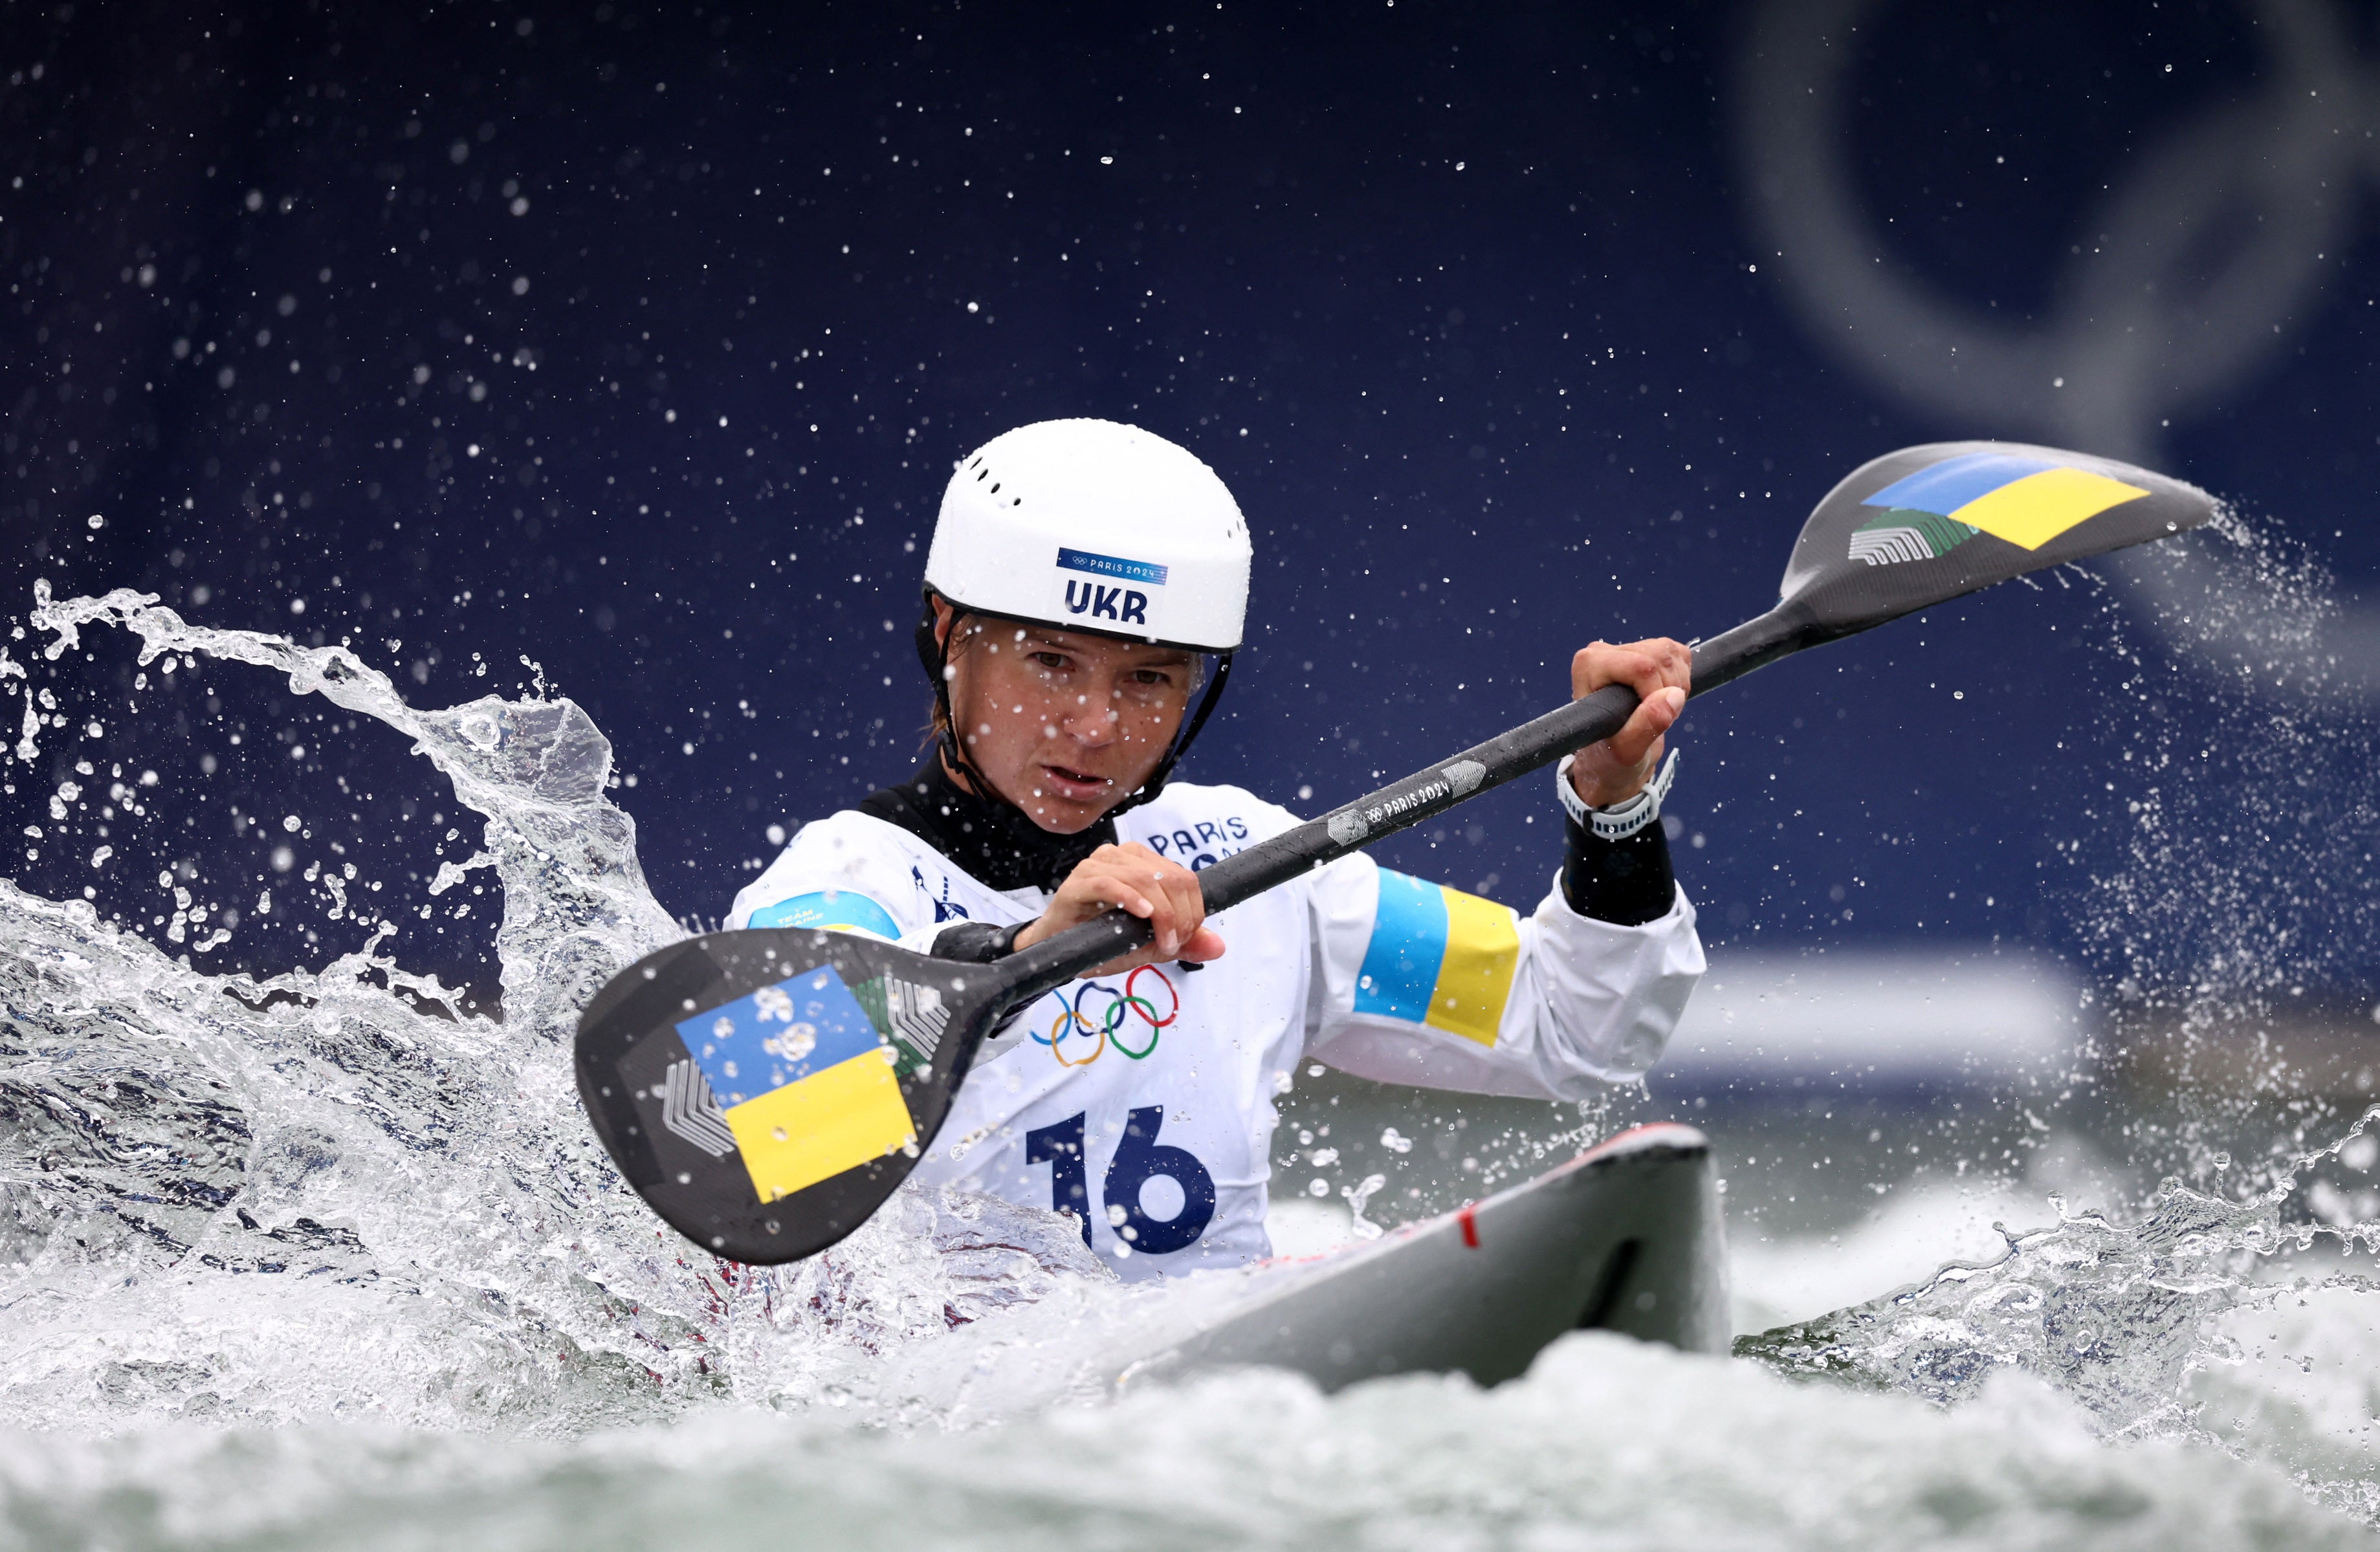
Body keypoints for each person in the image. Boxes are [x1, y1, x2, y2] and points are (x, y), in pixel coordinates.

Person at [731, 419, 1703, 1278]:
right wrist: (1030, 959)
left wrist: (1611, 806)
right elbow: (774, 1147)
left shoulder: (1246, 862)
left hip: (1197, 1387)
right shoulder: (831, 890)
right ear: (949, 635)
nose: (1096, 726)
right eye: (1051, 663)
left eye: (1150, 680)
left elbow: (1577, 1028)